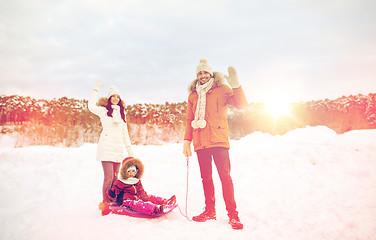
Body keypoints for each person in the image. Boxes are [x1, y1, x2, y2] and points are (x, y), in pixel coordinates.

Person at [183, 58, 248, 230]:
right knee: (206, 178)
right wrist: (186, 142)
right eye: (200, 73)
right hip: (200, 142)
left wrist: (236, 85)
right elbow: (189, 119)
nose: (203, 76)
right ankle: (210, 211)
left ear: (211, 73)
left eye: (205, 72)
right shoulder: (193, 95)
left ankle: (233, 215)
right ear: (197, 75)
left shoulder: (223, 89)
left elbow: (241, 105)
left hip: (218, 140)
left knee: (225, 177)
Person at [88, 80, 134, 215]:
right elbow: (91, 106)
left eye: (117, 97)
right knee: (108, 178)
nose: (115, 99)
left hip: (117, 149)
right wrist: (96, 89)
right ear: (109, 99)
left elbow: (125, 134)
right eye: (113, 96)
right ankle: (106, 204)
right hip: (106, 148)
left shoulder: (122, 114)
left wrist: (130, 152)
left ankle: (113, 202)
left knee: (115, 178)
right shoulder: (103, 111)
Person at [106, 157, 176, 215]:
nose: (131, 173)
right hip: (126, 201)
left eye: (133, 171)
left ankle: (165, 201)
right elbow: (114, 192)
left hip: (136, 196)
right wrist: (111, 193)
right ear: (124, 171)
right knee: (139, 204)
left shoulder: (136, 180)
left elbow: (140, 190)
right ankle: (156, 208)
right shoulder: (120, 181)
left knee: (149, 196)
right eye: (129, 171)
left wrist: (145, 197)